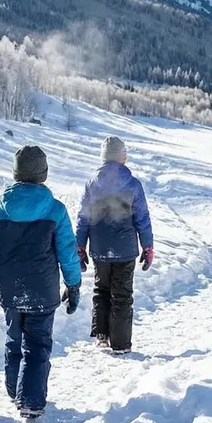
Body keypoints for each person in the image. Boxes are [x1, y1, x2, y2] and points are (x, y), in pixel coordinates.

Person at [0, 145, 82, 419]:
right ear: (43, 174)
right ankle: (31, 399)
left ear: (16, 174)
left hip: (11, 290)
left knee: (14, 339)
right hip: (44, 291)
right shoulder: (55, 210)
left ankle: (15, 390)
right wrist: (73, 285)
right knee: (37, 344)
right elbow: (67, 251)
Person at [76, 136, 154, 355]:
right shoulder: (133, 184)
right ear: (122, 156)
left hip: (100, 248)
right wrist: (148, 247)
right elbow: (142, 218)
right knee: (122, 295)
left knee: (101, 289)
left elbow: (83, 218)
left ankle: (102, 336)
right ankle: (121, 344)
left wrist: (79, 246)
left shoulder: (92, 184)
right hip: (126, 249)